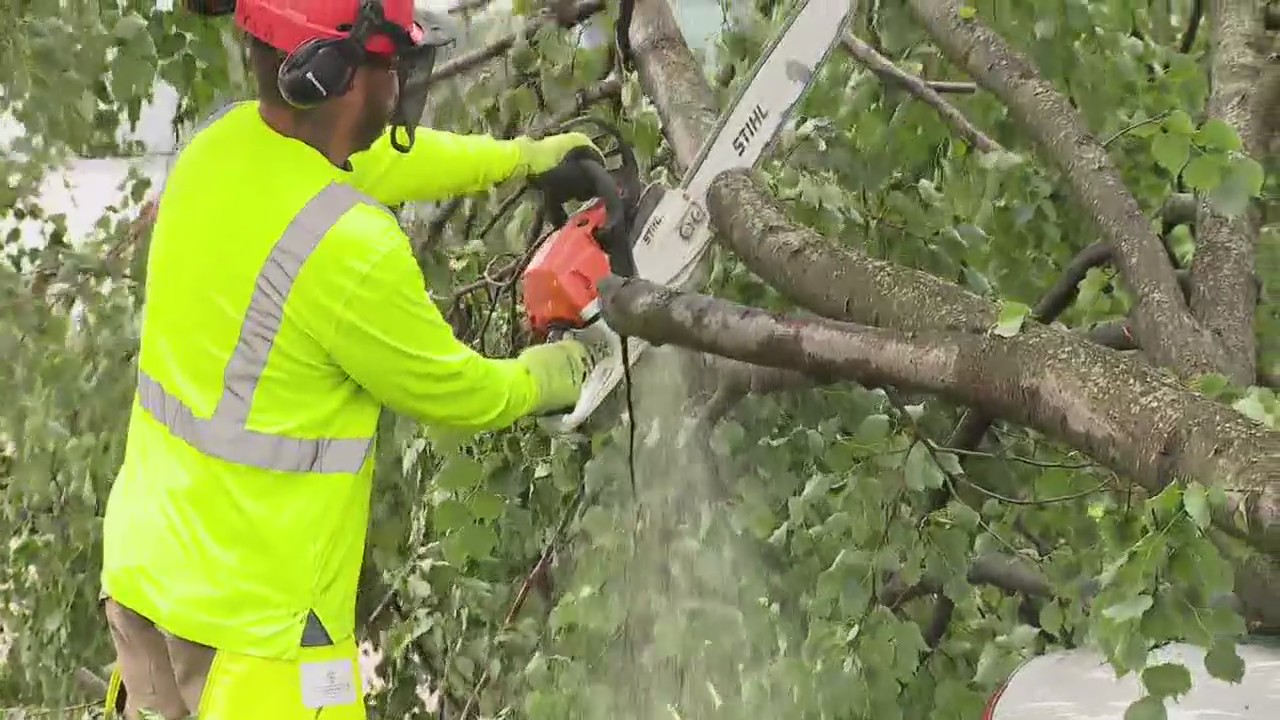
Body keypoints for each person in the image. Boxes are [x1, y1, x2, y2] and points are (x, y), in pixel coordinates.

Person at [98, 0, 604, 717]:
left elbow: (385, 162)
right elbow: (455, 388)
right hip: (260, 635)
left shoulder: (219, 148)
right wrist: (551, 376)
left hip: (148, 581)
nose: (399, 85)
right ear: (335, 76)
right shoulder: (349, 248)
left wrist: (521, 159)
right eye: (392, 65)